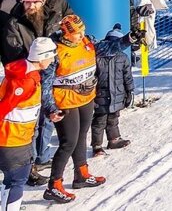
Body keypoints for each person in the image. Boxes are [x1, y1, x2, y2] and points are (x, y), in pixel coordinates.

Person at [46, 14, 103, 202]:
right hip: (65, 102)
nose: (82, 35)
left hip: (86, 97)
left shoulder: (86, 42)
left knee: (81, 135)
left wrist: (129, 39)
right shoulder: (55, 51)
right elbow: (45, 84)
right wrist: (50, 108)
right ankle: (54, 185)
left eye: (83, 31)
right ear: (66, 33)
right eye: (78, 33)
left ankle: (81, 174)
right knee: (68, 142)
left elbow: (106, 48)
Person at [0, 38, 56, 210]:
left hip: (14, 136)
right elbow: (4, 106)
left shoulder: (24, 70)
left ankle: (7, 205)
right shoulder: (25, 81)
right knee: (17, 179)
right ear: (41, 57)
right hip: (13, 139)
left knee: (11, 179)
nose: (52, 60)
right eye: (51, 56)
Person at [91, 27, 132, 156]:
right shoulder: (97, 56)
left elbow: (127, 77)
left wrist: (130, 92)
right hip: (101, 95)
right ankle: (97, 146)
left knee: (113, 118)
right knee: (99, 120)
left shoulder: (123, 58)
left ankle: (114, 139)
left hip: (117, 94)